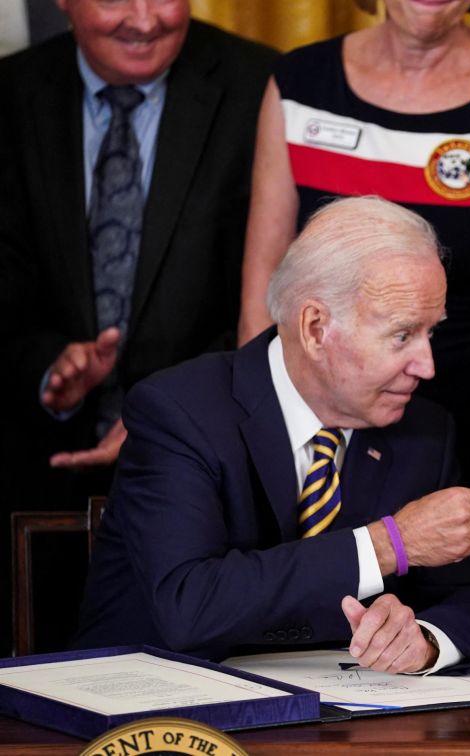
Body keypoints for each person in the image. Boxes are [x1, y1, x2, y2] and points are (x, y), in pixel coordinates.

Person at [74, 197, 470, 672]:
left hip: (342, 729)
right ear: (315, 327)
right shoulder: (178, 412)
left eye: (431, 333)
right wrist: (388, 545)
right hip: (158, 714)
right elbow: (190, 605)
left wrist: (425, 641)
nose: (426, 366)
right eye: (402, 335)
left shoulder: (425, 431)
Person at [0, 0, 276, 653]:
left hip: (206, 488)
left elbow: (273, 292)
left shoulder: (261, 86)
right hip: (27, 478)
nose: (145, 20)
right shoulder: (9, 97)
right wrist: (49, 366)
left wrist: (170, 411)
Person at [236, 0, 470, 493]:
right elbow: (262, 302)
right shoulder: (298, 85)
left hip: (466, 445)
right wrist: (270, 465)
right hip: (311, 441)